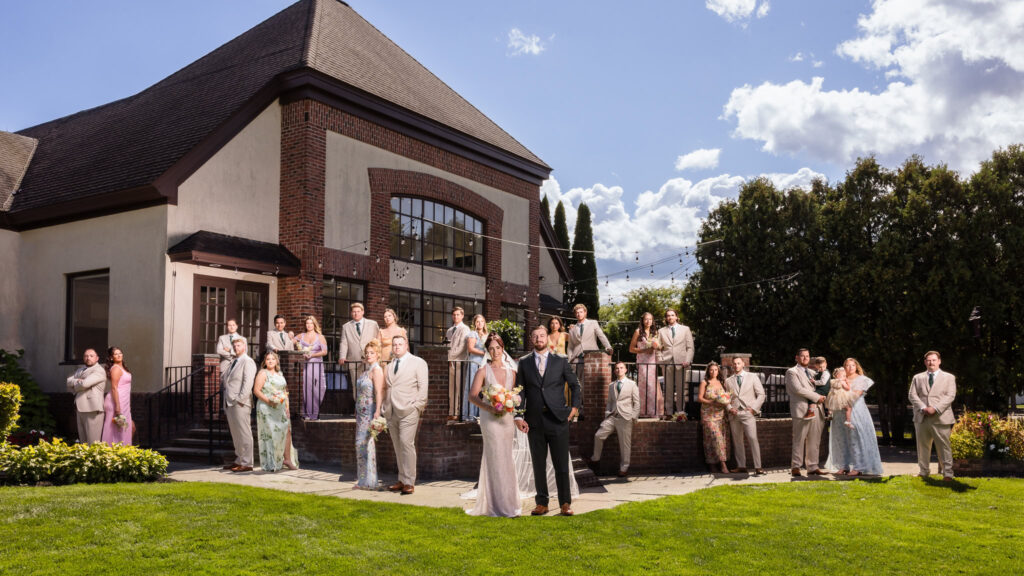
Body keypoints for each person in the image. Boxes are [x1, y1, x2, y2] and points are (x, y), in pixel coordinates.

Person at [515, 325, 581, 516]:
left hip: (558, 419)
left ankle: (565, 503)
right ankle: (541, 503)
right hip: (534, 420)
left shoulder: (560, 360)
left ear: (548, 339)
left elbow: (575, 386)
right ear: (531, 339)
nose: (539, 339)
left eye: (542, 335)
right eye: (535, 336)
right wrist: (519, 415)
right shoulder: (524, 362)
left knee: (561, 464)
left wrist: (573, 409)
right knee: (538, 464)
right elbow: (520, 391)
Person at [466, 333, 522, 517]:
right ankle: (494, 504)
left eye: (497, 347)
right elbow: (473, 396)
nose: (495, 351)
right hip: (489, 420)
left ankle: (509, 502)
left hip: (506, 419)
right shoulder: (483, 371)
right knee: (494, 456)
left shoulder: (511, 372)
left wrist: (511, 402)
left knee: (506, 457)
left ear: (502, 348)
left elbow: (514, 395)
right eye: (491, 348)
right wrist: (489, 408)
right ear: (487, 351)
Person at [382, 335, 428, 494]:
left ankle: (409, 481)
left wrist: (417, 406)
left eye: (400, 344)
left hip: (409, 410)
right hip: (391, 411)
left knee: (406, 444)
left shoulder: (418, 363)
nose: (396, 347)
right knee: (397, 446)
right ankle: (401, 479)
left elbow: (423, 387)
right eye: (394, 344)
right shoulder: (388, 366)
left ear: (406, 345)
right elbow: (387, 388)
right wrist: (384, 407)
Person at [826, 358, 883, 476]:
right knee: (841, 438)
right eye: (847, 365)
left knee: (855, 438)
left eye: (852, 365)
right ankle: (843, 465)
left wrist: (844, 401)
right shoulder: (840, 378)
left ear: (856, 366)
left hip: (855, 410)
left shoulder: (862, 379)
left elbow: (856, 395)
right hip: (840, 411)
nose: (850, 367)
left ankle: (859, 467)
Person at [909, 350, 956, 480]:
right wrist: (924, 408)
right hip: (922, 417)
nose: (931, 362)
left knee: (943, 447)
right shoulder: (917, 378)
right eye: (929, 360)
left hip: (941, 417)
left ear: (939, 361)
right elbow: (912, 395)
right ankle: (923, 472)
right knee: (922, 446)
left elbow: (950, 396)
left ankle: (948, 473)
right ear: (925, 362)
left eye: (934, 360)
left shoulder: (949, 377)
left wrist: (935, 408)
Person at [590, 362, 639, 477]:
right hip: (612, 417)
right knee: (598, 435)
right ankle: (595, 459)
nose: (619, 370)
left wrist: (633, 417)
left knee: (624, 444)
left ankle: (624, 467)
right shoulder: (611, 385)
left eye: (621, 368)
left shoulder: (632, 384)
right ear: (614, 371)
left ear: (625, 370)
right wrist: (607, 413)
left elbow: (637, 402)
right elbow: (610, 402)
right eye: (617, 368)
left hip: (625, 417)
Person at [253, 351, 298, 472]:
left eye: (273, 359)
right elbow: (256, 391)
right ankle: (272, 461)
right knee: (270, 434)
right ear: (265, 361)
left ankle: (287, 459)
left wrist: (287, 408)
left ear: (277, 361)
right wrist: (269, 401)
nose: (270, 361)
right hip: (266, 407)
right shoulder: (263, 373)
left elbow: (285, 391)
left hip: (281, 407)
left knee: (287, 431)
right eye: (268, 359)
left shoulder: (280, 374)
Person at [785, 348, 827, 477]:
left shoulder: (813, 372)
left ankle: (813, 466)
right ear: (796, 357)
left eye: (807, 356)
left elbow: (823, 385)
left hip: (817, 409)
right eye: (802, 356)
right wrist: (817, 397)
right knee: (799, 439)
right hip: (801, 410)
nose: (805, 358)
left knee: (815, 440)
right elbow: (798, 389)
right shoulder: (791, 372)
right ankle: (796, 466)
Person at [724, 357, 765, 475]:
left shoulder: (752, 377)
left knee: (753, 439)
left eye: (738, 363)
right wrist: (729, 408)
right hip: (734, 413)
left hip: (748, 413)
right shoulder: (728, 381)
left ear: (743, 364)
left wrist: (753, 409)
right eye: (734, 364)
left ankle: (758, 467)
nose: (736, 365)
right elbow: (727, 398)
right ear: (732, 366)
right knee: (737, 441)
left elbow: (761, 394)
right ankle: (741, 466)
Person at [222, 337, 257, 472]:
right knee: (235, 433)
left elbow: (248, 383)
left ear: (245, 347)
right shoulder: (233, 362)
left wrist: (240, 400)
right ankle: (239, 460)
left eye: (238, 345)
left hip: (240, 403)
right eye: (234, 346)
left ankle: (247, 463)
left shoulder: (248, 361)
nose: (236, 348)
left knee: (244, 433)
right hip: (229, 402)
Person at [354, 341, 385, 489]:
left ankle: (367, 480)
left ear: (378, 354)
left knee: (363, 445)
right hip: (360, 413)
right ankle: (363, 479)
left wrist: (378, 410)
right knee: (360, 445)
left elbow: (379, 392)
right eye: (367, 353)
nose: (368, 355)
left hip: (369, 411)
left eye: (372, 352)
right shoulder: (365, 371)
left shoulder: (377, 370)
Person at [656, 309, 694, 419]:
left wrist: (687, 360)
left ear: (677, 317)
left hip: (682, 363)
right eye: (668, 316)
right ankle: (668, 412)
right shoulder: (661, 331)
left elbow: (690, 347)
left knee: (681, 388)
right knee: (667, 388)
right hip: (667, 362)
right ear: (666, 318)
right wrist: (661, 361)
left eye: (672, 315)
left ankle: (680, 412)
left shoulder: (685, 329)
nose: (670, 317)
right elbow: (658, 348)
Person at [338, 302, 380, 397]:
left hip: (370, 360)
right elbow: (344, 343)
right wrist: (342, 356)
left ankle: (372, 409)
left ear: (363, 312)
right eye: (354, 312)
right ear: (351, 313)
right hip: (354, 360)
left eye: (358, 311)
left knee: (372, 385)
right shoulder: (346, 326)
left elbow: (378, 341)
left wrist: (377, 356)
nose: (356, 313)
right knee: (356, 387)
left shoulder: (373, 324)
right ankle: (358, 409)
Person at [65, 348, 107, 444]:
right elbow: (68, 382)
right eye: (86, 356)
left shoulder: (99, 370)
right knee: (83, 442)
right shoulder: (80, 369)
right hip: (80, 408)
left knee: (93, 442)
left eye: (91, 356)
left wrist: (77, 382)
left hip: (93, 408)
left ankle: (93, 459)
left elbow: (84, 384)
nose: (88, 358)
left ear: (97, 358)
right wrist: (77, 381)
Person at [293, 316, 328, 420]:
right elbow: (290, 342)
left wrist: (312, 355)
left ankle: (314, 411)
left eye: (311, 323)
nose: (309, 325)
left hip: (317, 365)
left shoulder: (320, 337)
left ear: (314, 325)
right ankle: (308, 413)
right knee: (307, 389)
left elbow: (325, 352)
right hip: (307, 365)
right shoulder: (301, 336)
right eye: (307, 323)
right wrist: (291, 335)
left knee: (318, 388)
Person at [698, 361, 730, 474]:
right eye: (711, 370)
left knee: (722, 439)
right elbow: (700, 398)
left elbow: (726, 396)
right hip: (708, 415)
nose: (714, 372)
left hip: (721, 415)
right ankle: (722, 464)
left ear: (718, 371)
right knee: (713, 438)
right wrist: (711, 402)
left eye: (716, 370)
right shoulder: (704, 382)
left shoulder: (722, 382)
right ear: (708, 371)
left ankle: (715, 464)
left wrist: (725, 401)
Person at [629, 312, 661, 417]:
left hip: (652, 362)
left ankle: (653, 411)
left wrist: (656, 347)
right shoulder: (638, 332)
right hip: (642, 362)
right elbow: (631, 349)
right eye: (646, 319)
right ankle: (643, 411)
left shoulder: (655, 332)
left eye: (650, 319)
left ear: (652, 321)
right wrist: (644, 350)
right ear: (642, 321)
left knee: (652, 386)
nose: (648, 321)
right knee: (644, 385)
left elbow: (660, 347)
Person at [101, 346, 133, 446]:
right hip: (115, 401)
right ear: (111, 357)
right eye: (115, 354)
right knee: (118, 429)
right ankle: (112, 452)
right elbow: (114, 388)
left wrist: (128, 404)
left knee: (124, 428)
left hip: (124, 401)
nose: (119, 355)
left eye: (120, 353)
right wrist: (117, 406)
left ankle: (123, 452)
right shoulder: (115, 369)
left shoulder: (123, 367)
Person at [445, 307, 471, 421]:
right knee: (451, 389)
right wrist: (447, 358)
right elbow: (446, 345)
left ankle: (460, 412)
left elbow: (462, 347)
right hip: (450, 362)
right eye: (454, 315)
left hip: (459, 362)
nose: (455, 317)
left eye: (458, 315)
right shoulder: (449, 330)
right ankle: (452, 411)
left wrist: (450, 357)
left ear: (462, 316)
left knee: (459, 388)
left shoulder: (465, 329)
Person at [462, 314, 488, 421]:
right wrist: (484, 353)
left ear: (484, 323)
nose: (480, 323)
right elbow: (471, 349)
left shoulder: (487, 335)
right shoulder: (473, 334)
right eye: (478, 321)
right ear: (475, 323)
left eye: (481, 321)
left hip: (484, 364)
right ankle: (470, 414)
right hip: (474, 363)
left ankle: (481, 413)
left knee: (484, 389)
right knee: (473, 387)